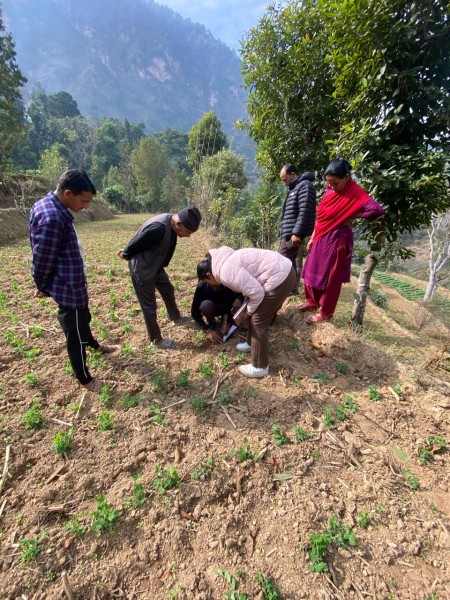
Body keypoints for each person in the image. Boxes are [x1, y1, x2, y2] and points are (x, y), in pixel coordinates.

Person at [29, 169, 117, 393]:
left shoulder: (49, 206)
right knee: (75, 332)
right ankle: (85, 379)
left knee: (83, 317)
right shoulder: (52, 218)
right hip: (67, 287)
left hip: (72, 281)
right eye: (84, 201)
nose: (86, 206)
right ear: (68, 193)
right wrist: (41, 285)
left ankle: (95, 346)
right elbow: (42, 259)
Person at [301, 159, 384, 323]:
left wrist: (353, 214)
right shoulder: (329, 191)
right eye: (329, 182)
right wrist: (312, 237)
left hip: (338, 239)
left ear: (347, 177)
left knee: (332, 278)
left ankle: (325, 313)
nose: (331, 186)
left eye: (335, 182)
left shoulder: (356, 193)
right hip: (321, 236)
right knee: (312, 267)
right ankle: (312, 302)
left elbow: (377, 210)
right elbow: (321, 216)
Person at [197, 247, 295, 378]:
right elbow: (252, 287)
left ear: (209, 275)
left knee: (257, 320)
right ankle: (250, 344)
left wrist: (248, 312)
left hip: (280, 278)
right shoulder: (224, 261)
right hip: (283, 271)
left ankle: (260, 367)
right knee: (255, 312)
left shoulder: (226, 272)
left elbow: (257, 293)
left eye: (207, 281)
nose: (209, 284)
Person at [118, 206, 202, 348]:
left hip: (156, 266)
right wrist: (126, 252)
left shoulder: (171, 223)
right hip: (143, 269)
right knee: (149, 306)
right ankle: (157, 340)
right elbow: (138, 240)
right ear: (179, 224)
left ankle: (175, 317)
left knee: (168, 289)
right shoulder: (159, 228)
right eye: (188, 232)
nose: (188, 236)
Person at [279, 164, 316, 294]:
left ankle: (287, 287)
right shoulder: (295, 188)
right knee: (289, 259)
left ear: (293, 174)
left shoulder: (305, 185)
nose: (284, 183)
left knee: (282, 258)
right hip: (289, 230)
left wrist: (297, 233)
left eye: (285, 179)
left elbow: (305, 211)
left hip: (294, 231)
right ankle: (292, 288)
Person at [191, 279, 243, 343]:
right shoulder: (202, 286)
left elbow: (228, 301)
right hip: (213, 308)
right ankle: (212, 322)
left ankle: (231, 321)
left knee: (237, 302)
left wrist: (225, 323)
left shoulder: (224, 280)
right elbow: (194, 312)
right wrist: (207, 329)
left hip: (228, 307)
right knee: (205, 305)